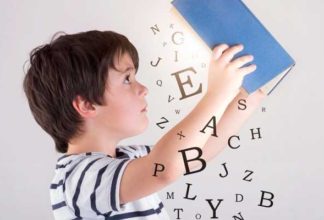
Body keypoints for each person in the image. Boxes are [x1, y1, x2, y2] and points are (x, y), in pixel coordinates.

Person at [23, 30, 265, 219]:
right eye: (127, 79)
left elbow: (198, 150)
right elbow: (165, 168)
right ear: (87, 105)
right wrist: (216, 94)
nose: (143, 89)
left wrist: (247, 98)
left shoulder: (130, 157)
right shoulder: (76, 179)